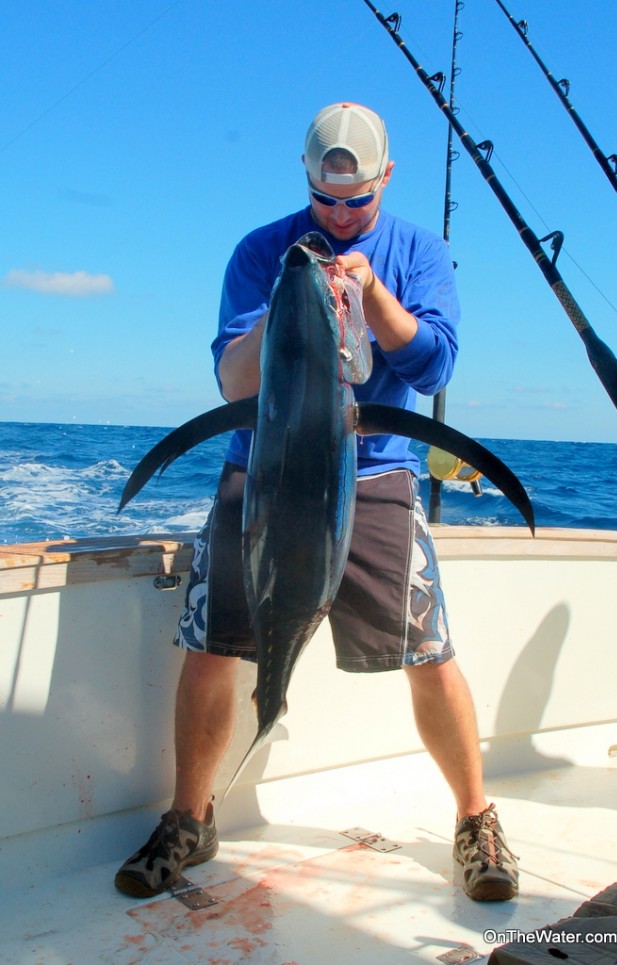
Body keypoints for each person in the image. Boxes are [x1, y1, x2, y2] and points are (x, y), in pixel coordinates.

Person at [115, 102, 519, 903]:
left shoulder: (418, 251)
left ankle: (476, 818)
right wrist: (291, 300)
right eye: (325, 199)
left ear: (385, 179)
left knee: (429, 653)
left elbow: (434, 367)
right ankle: (190, 818)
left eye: (357, 201)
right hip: (260, 472)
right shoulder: (262, 251)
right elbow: (235, 385)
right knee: (210, 645)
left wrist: (370, 300)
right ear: (306, 179)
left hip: (371, 476)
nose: (339, 216)